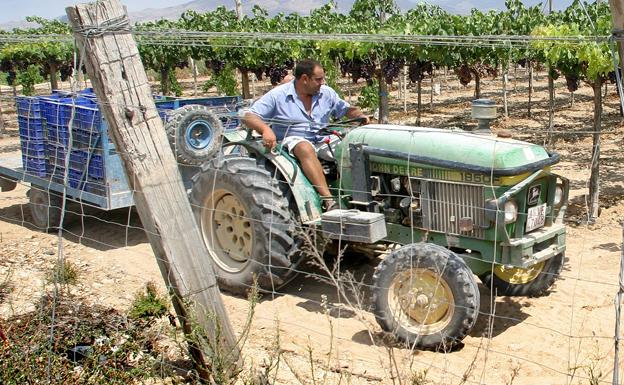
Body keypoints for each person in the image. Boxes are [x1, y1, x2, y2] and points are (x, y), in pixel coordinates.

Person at [244, 59, 369, 210]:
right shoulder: (278, 95)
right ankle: (328, 200)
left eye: (323, 78)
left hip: (322, 138)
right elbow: (248, 115)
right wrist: (266, 130)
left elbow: (346, 110)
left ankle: (358, 195)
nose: (322, 82)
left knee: (353, 146)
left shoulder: (326, 93)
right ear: (304, 79)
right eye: (318, 79)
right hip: (292, 141)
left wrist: (361, 116)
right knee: (304, 147)